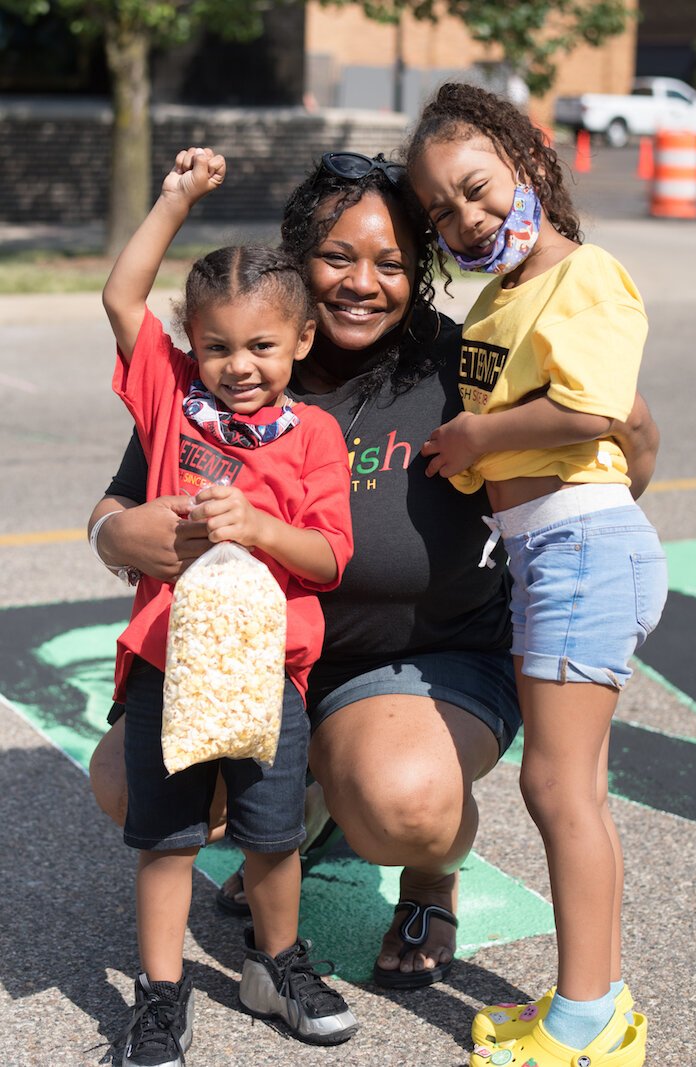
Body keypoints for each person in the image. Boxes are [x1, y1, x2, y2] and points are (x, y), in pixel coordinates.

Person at [88, 149, 660, 1003]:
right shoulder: (233, 364)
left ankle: (429, 877)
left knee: (401, 800)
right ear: (295, 262)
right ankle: (293, 815)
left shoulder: (460, 363)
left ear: (420, 268)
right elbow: (118, 501)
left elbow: (606, 441)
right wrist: (114, 536)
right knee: (128, 780)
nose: (364, 282)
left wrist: (624, 427)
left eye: (391, 262)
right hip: (256, 662)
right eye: (337, 257)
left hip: (424, 657)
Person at [406, 84, 668, 1066]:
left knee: (558, 787)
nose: (465, 219)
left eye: (476, 190)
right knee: (572, 788)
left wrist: (477, 432)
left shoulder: (585, 272)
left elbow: (598, 408)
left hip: (581, 547)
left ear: (530, 164)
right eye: (441, 211)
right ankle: (585, 996)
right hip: (547, 552)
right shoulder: (495, 298)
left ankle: (589, 1021)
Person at [100, 145, 358, 1065]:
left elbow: (329, 554)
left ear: (301, 342)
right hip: (171, 664)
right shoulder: (170, 398)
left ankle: (276, 962)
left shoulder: (316, 435)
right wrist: (173, 202)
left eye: (260, 346)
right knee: (167, 838)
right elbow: (122, 299)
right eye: (216, 345)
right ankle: (161, 993)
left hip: (269, 675)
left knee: (271, 832)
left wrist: (255, 526)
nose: (237, 366)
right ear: (191, 343)